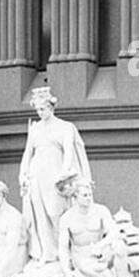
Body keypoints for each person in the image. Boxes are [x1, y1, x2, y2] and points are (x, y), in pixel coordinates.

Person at [19, 87, 91, 262]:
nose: (39, 112)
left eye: (42, 109)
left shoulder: (65, 127)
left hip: (54, 173)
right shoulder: (35, 129)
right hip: (37, 174)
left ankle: (66, 251)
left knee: (55, 212)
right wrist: (23, 174)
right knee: (40, 214)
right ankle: (48, 252)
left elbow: (69, 152)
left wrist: (65, 173)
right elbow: (28, 153)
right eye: (37, 110)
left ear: (51, 107)